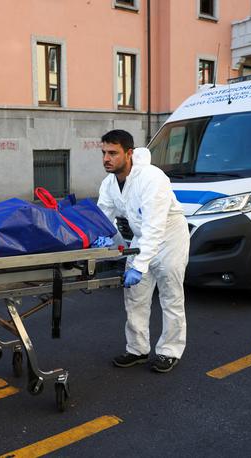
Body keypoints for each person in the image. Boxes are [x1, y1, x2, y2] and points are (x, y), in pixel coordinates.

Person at [97, 129, 189, 373]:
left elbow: (155, 226)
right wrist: (100, 239)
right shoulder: (109, 184)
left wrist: (138, 266)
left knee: (170, 295)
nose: (106, 158)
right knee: (135, 297)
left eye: (113, 153)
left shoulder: (152, 178)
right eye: (104, 152)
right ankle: (137, 349)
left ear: (129, 153)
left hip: (170, 237)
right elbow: (102, 217)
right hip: (141, 239)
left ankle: (170, 351)